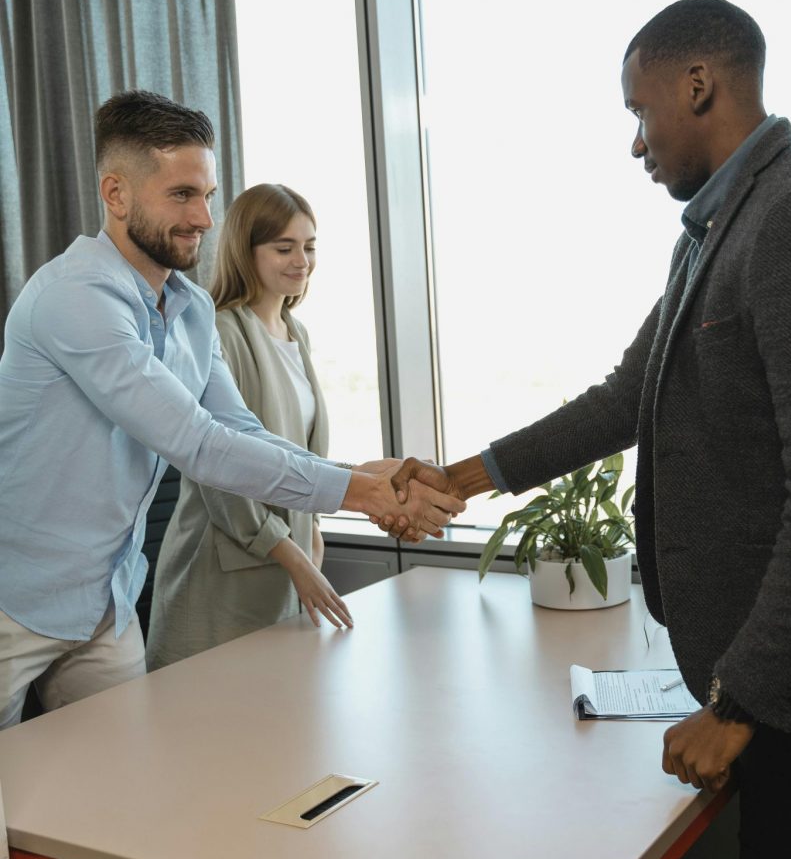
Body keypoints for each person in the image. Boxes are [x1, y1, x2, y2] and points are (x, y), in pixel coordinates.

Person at [379, 0, 791, 859]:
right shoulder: (716, 226)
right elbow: (627, 397)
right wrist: (464, 475)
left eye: (637, 111)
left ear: (697, 83)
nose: (635, 141)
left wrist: (736, 706)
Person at [0, 90, 463, 730]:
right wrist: (363, 494)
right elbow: (196, 443)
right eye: (182, 195)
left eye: (208, 194)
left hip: (104, 602)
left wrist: (365, 475)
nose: (204, 217)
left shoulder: (189, 312)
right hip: (12, 600)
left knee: (127, 794)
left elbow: (240, 431)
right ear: (116, 195)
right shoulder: (74, 299)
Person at [145, 183, 363, 670]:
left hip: (288, 560)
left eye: (309, 247)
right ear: (247, 251)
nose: (301, 260)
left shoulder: (295, 332)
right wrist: (293, 554)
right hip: (223, 569)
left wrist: (313, 531)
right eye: (284, 248)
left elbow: (297, 449)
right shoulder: (221, 329)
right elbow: (219, 462)